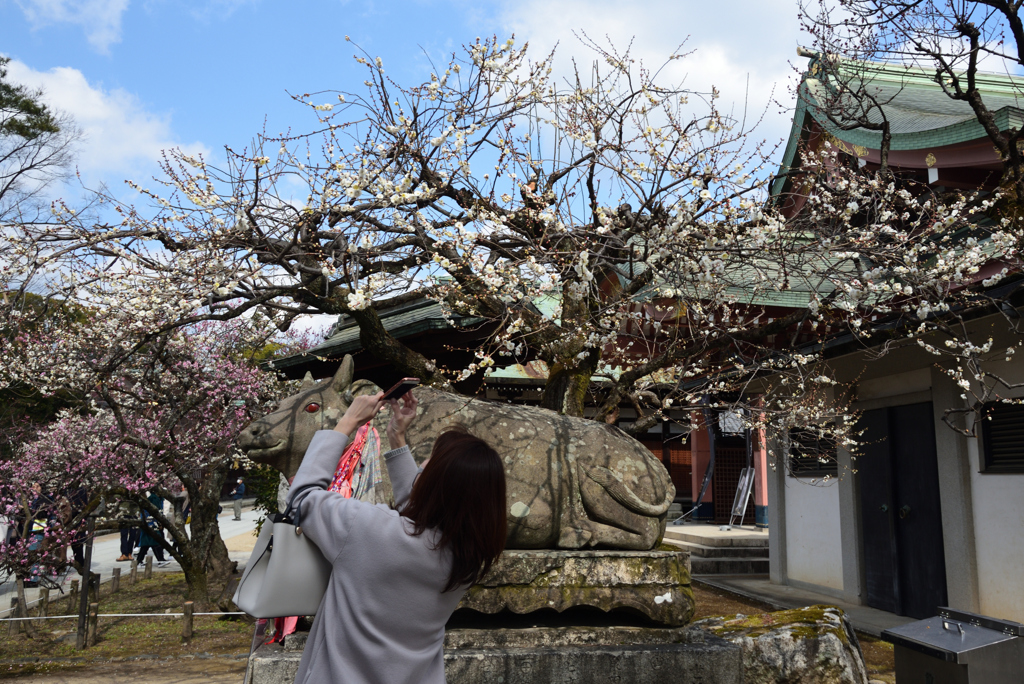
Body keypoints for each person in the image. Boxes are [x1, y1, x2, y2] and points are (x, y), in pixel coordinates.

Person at [286, 390, 507, 684]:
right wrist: (397, 437)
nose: (422, 465)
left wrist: (348, 421)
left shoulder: (365, 527)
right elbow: (420, 518)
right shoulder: (467, 557)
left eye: (428, 463)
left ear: (435, 485)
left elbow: (301, 499)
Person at [136, 492, 171, 568]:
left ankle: (139, 561)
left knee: (146, 544)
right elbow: (156, 511)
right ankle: (160, 560)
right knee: (154, 541)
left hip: (149, 523)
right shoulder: (153, 498)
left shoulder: (156, 498)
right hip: (151, 523)